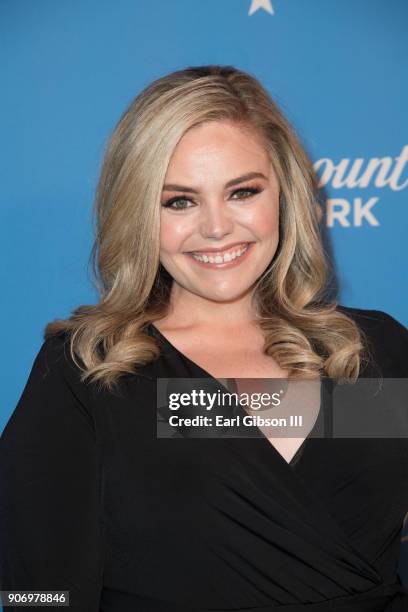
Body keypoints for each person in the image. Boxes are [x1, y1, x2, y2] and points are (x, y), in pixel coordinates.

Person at [1, 65, 408, 611]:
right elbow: (35, 592)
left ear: (284, 196)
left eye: (242, 192)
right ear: (139, 213)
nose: (216, 227)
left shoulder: (371, 352)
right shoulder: (93, 370)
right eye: (180, 201)